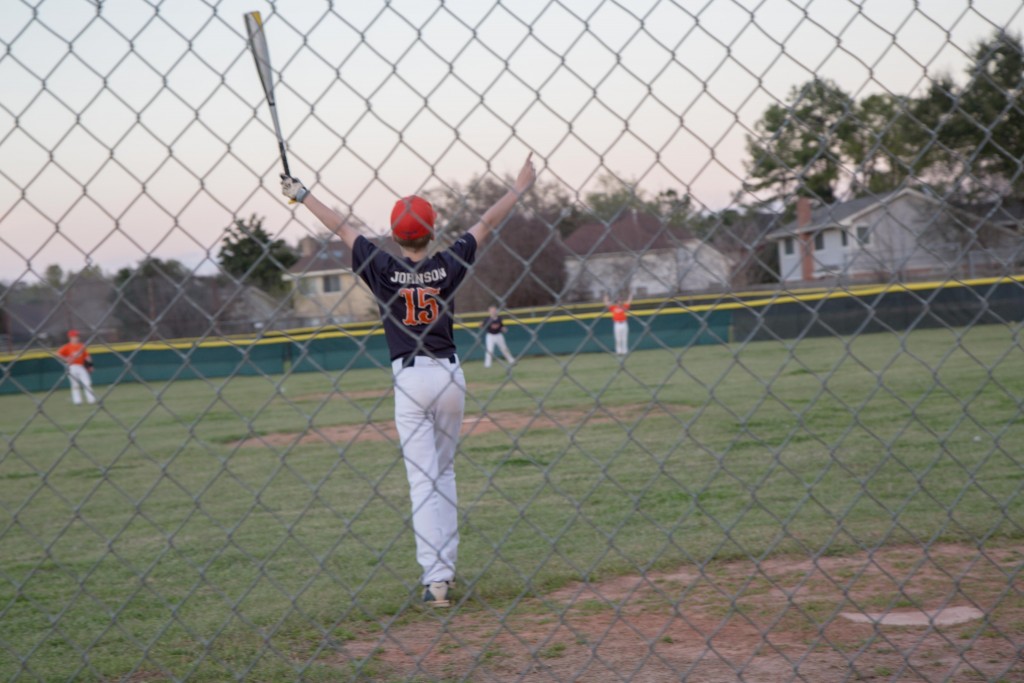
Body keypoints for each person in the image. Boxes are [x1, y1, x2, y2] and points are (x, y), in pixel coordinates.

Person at [281, 154, 536, 608]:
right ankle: (447, 570)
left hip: (411, 378)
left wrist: (302, 195)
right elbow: (486, 222)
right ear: (432, 232)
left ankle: (436, 580)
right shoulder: (449, 263)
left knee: (423, 481)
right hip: (450, 376)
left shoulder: (381, 267)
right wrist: (518, 188)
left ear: (396, 236)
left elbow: (341, 227)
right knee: (446, 471)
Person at [57, 329, 96, 405]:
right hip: (71, 367)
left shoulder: (81, 346)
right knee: (75, 384)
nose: (77, 338)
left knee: (87, 383)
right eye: (75, 336)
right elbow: (58, 354)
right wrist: (66, 358)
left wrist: (90, 366)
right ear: (70, 337)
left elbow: (87, 357)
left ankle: (91, 400)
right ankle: (77, 401)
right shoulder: (67, 347)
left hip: (81, 367)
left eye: (77, 336)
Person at [603, 292, 633, 356]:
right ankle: (619, 352)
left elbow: (629, 302)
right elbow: (606, 304)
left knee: (624, 338)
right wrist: (606, 297)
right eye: (619, 301)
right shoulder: (613, 307)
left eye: (621, 300)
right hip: (617, 324)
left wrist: (630, 295)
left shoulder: (624, 307)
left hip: (624, 323)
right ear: (616, 302)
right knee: (618, 338)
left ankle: (625, 351)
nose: (620, 302)